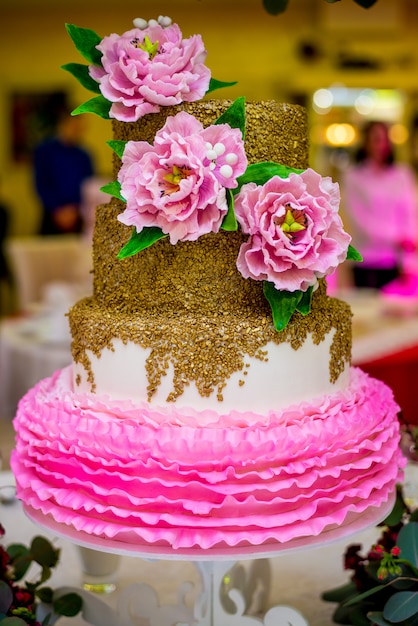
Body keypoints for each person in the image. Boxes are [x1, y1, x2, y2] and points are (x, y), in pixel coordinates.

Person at [343, 120, 418, 290]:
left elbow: (408, 216)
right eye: (376, 139)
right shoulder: (354, 176)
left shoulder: (402, 175)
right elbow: (359, 220)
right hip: (366, 258)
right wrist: (396, 238)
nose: (381, 145)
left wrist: (408, 259)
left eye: (384, 139)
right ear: (366, 142)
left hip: (394, 260)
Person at [33, 109, 94, 235]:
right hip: (52, 215)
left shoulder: (84, 155)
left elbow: (88, 185)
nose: (76, 131)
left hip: (77, 216)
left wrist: (75, 209)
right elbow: (41, 183)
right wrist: (57, 209)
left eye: (79, 127)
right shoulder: (44, 151)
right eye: (73, 126)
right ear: (62, 125)